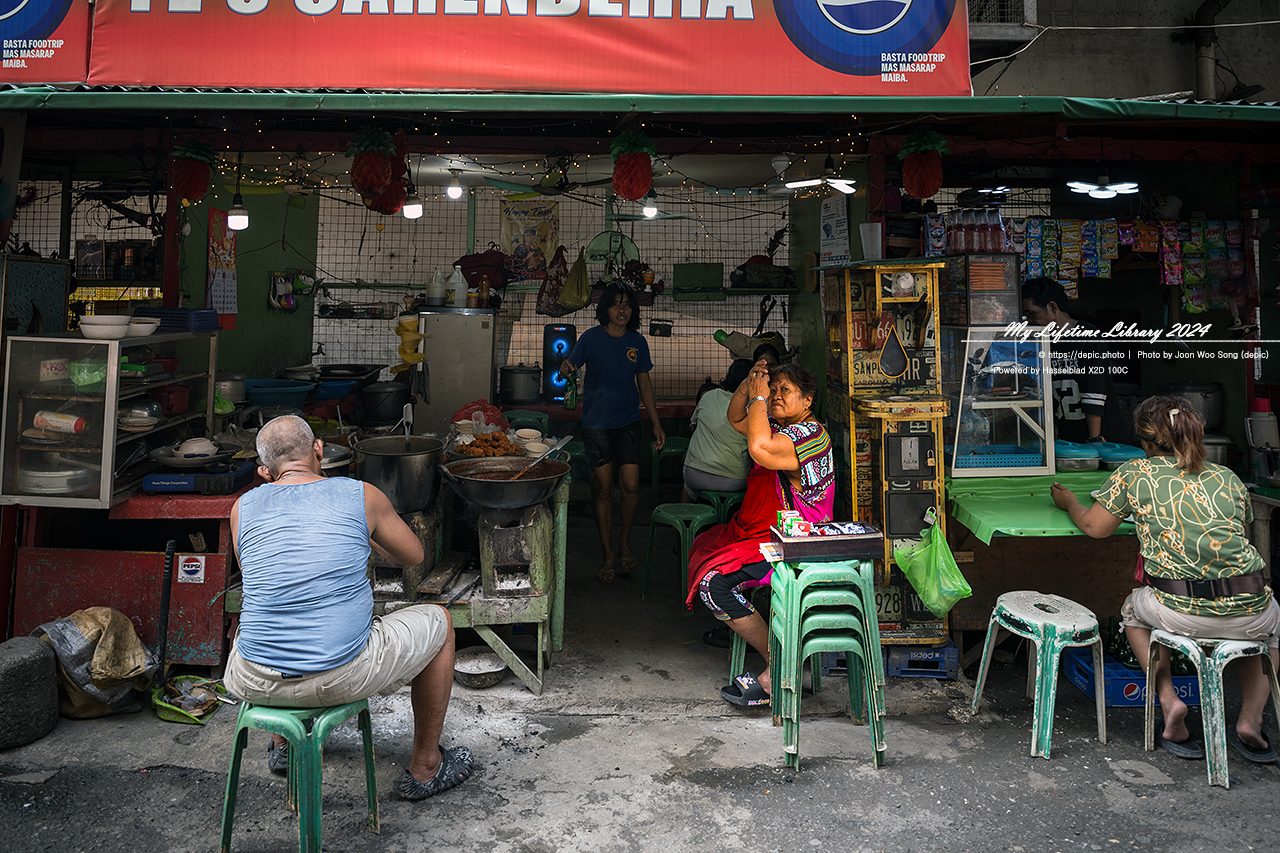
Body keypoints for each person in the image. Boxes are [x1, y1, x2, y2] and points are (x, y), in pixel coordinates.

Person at [223, 416, 473, 800]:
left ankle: (284, 745)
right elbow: (413, 555)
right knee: (440, 621)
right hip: (340, 675)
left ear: (264, 471)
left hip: (252, 678)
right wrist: (366, 535)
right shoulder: (361, 495)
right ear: (319, 450)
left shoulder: (242, 508)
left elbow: (259, 576)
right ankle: (426, 768)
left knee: (274, 611)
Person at [1051, 396, 1280, 763]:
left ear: (1144, 442)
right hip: (1254, 611)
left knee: (1132, 612)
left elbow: (1095, 527)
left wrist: (1070, 504)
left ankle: (1170, 703)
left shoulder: (1135, 473)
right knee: (1269, 632)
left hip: (1180, 613)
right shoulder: (1227, 477)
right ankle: (1250, 722)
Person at [684, 361, 835, 706]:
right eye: (775, 388)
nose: (777, 395)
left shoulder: (806, 436)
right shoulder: (782, 428)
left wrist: (760, 400)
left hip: (795, 544)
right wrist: (750, 387)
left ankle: (780, 661)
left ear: (808, 400)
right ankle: (780, 659)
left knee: (713, 585)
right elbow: (737, 419)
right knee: (707, 546)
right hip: (772, 534)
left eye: (786, 391)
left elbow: (759, 449)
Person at [560, 282, 667, 584]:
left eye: (627, 305)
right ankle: (608, 554)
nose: (622, 310)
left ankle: (625, 543)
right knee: (605, 489)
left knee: (631, 486)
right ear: (604, 308)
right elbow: (568, 367)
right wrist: (565, 367)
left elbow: (644, 384)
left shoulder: (637, 341)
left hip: (629, 422)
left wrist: (656, 423)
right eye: (616, 304)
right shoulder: (590, 339)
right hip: (596, 424)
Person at [1021, 277, 1110, 444]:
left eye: (1032, 313)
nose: (1030, 321)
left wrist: (1095, 440)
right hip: (1065, 437)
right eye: (1026, 316)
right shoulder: (1042, 342)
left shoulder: (1088, 335)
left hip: (1096, 437)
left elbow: (1094, 392)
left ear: (1053, 307)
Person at [682, 359, 753, 504]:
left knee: (687, 486)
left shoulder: (708, 396)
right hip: (735, 480)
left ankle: (685, 521)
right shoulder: (755, 407)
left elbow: (694, 429)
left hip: (695, 474)